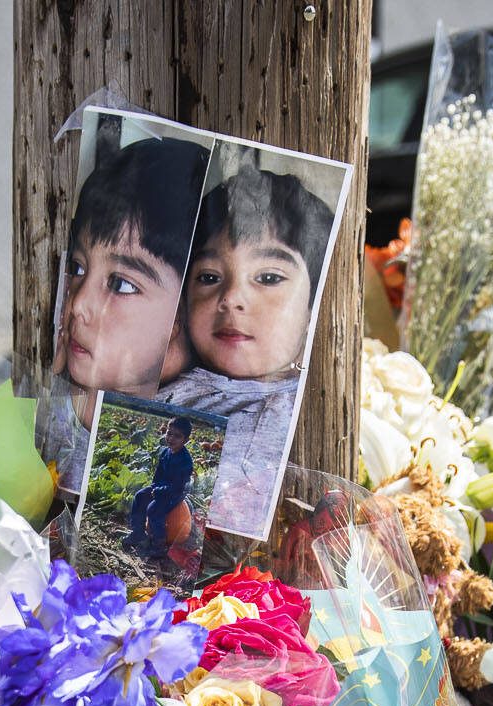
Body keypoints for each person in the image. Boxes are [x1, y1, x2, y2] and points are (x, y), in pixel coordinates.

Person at [158, 158, 337, 537]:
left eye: (269, 277)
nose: (232, 297)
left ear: (313, 307)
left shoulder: (310, 416)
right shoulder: (167, 383)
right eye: (209, 277)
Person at [36, 134, 209, 494]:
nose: (78, 303)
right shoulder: (48, 406)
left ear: (182, 318)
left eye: (121, 284)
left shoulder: (200, 421)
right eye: (79, 268)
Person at [124, 416, 195, 557]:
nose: (171, 438)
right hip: (161, 487)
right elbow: (159, 474)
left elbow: (178, 486)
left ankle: (159, 545)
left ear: (185, 440)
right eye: (169, 433)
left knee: (154, 509)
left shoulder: (185, 461)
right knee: (140, 496)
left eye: (177, 436)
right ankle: (137, 532)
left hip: (175, 494)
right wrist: (154, 487)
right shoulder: (165, 452)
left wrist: (159, 491)